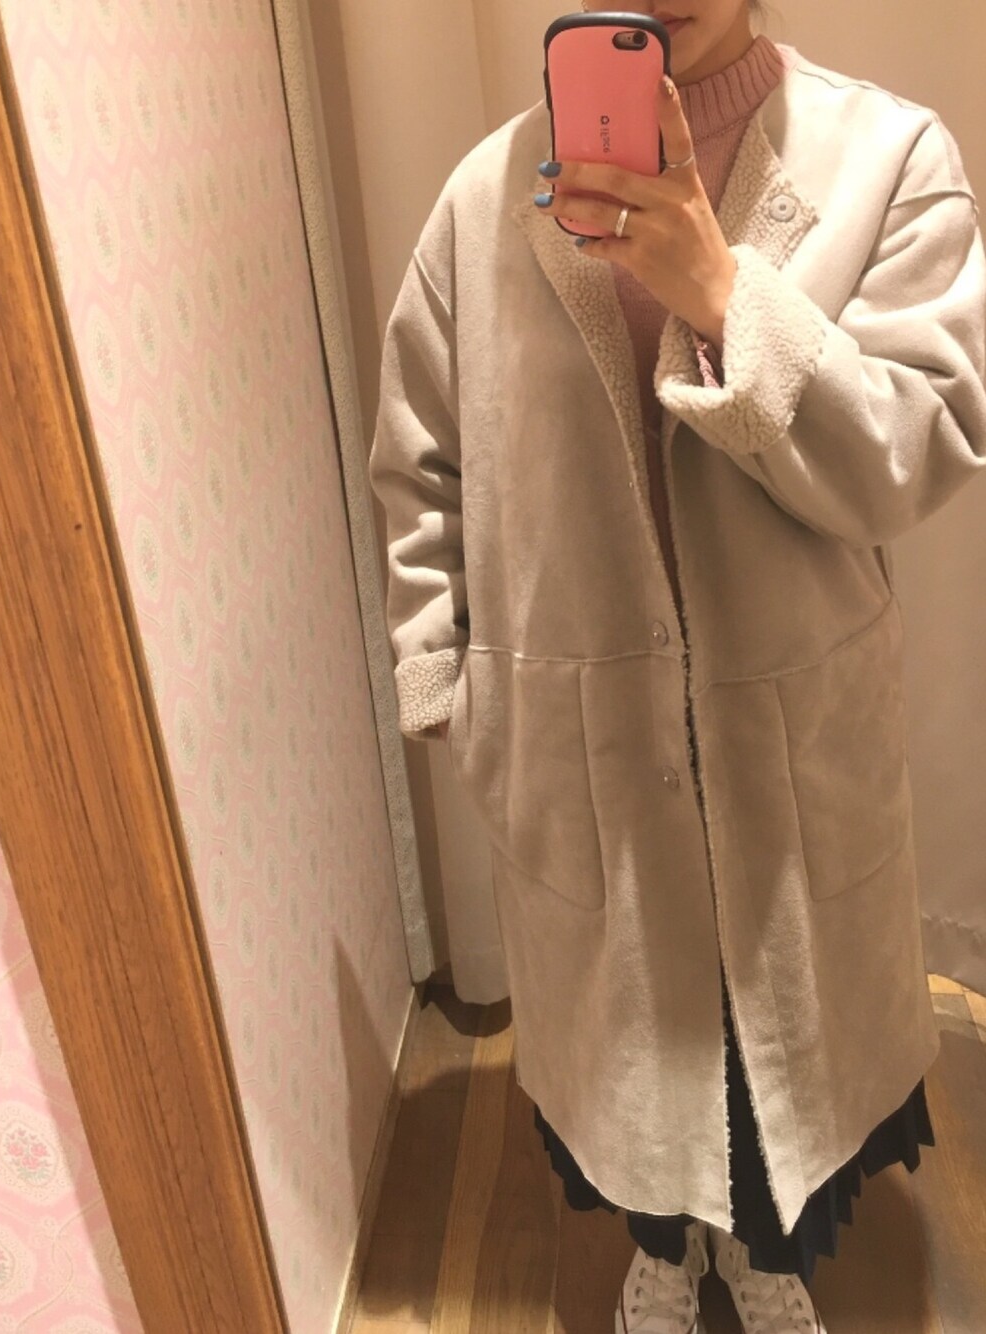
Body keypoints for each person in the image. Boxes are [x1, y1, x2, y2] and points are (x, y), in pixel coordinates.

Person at [367, 2, 986, 1331]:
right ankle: (668, 1245)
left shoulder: (889, 156)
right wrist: (448, 679)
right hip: (581, 738)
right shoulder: (482, 201)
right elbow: (420, 463)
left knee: (778, 1054)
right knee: (633, 1050)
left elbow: (920, 443)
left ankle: (759, 1256)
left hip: (791, 725)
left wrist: (722, 291)